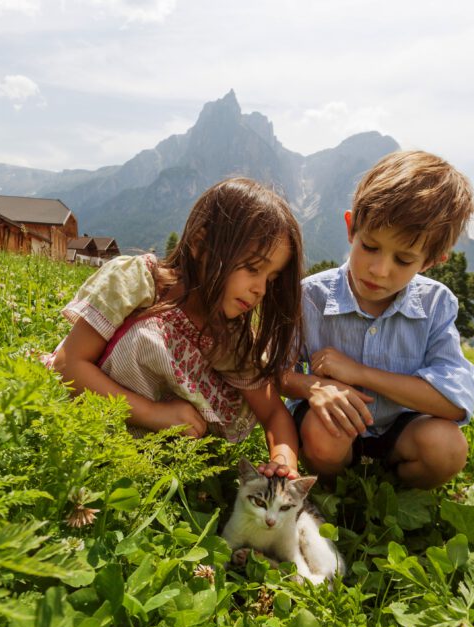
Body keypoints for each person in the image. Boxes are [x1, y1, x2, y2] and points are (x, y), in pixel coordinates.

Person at [46, 177, 304, 472]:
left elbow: (273, 414)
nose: (260, 289)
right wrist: (153, 413)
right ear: (199, 243)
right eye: (252, 268)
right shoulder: (139, 283)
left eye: (270, 279)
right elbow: (67, 366)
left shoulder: (229, 338)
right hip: (81, 436)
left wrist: (284, 465)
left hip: (154, 471)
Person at [261, 151, 474, 490]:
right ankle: (335, 492)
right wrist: (315, 386)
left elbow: (454, 402)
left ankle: (385, 495)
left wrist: (360, 374)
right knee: (324, 432)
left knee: (447, 448)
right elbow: (275, 371)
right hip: (330, 426)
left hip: (402, 431)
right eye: (370, 247)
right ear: (351, 228)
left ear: (432, 262)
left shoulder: (436, 304)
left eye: (404, 259)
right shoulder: (310, 297)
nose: (379, 270)